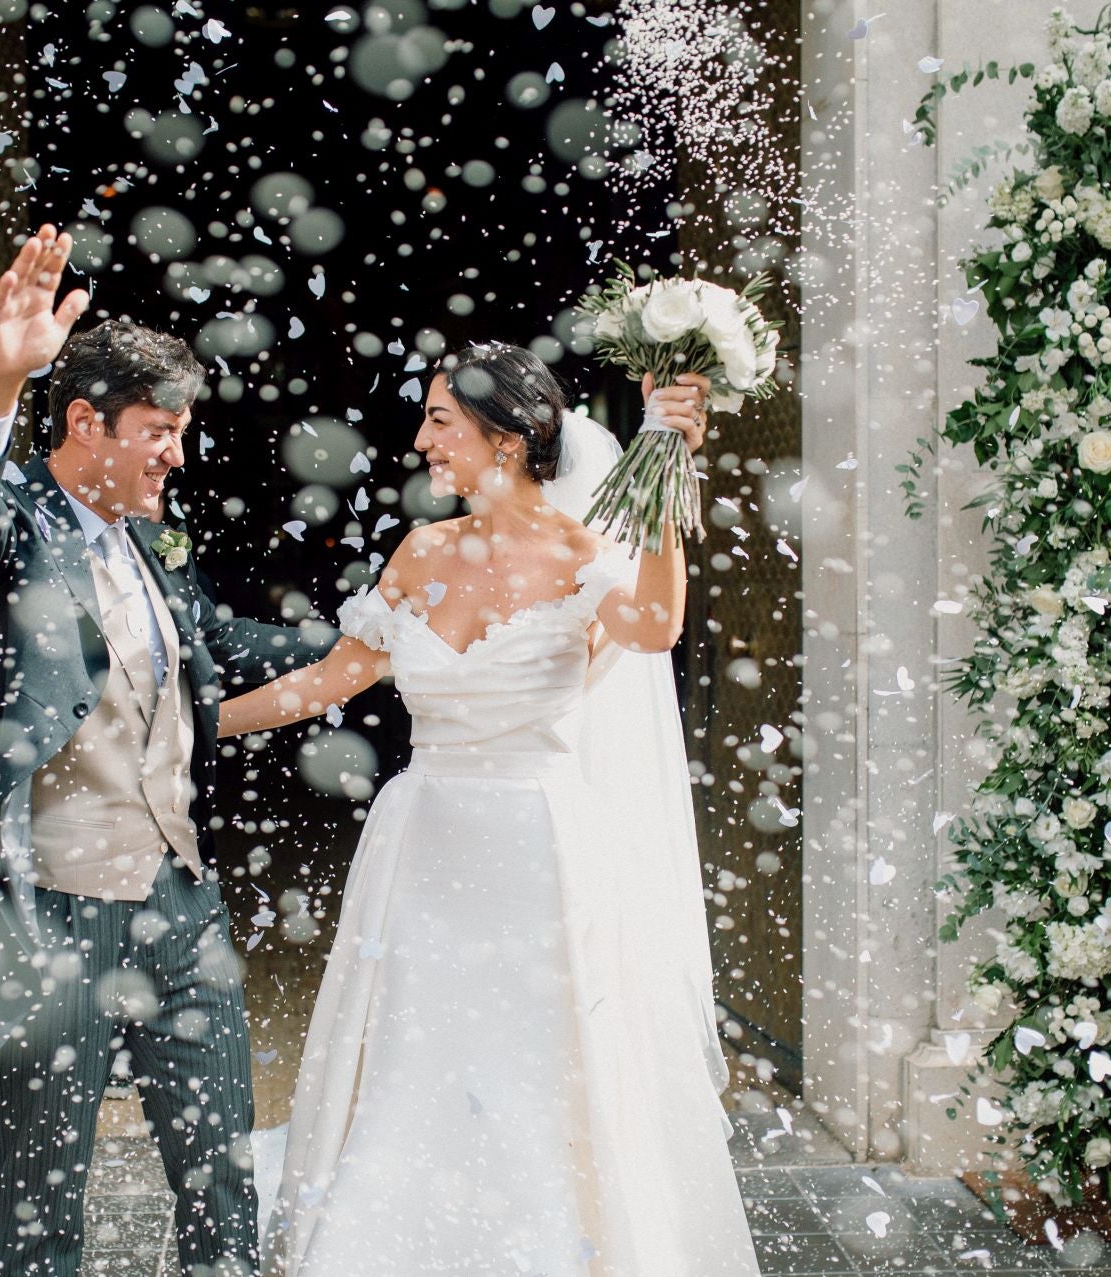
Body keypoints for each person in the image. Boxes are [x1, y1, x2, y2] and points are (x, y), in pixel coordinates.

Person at [220, 344, 762, 1276]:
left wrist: (673, 471)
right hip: (422, 842)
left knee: (533, 1066)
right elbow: (330, 680)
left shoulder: (581, 553)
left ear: (505, 438)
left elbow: (655, 628)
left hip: (540, 850)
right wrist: (182, 730)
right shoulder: (422, 550)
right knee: (413, 1058)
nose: (422, 437)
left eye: (441, 419)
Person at [0, 225, 333, 1277]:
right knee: (39, 1187)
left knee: (219, 1167)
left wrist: (371, 633)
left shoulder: (155, 540)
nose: (176, 454)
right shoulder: (9, 534)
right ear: (81, 423)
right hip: (51, 901)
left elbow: (220, 648)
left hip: (179, 893)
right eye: (158, 429)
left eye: (182, 430)